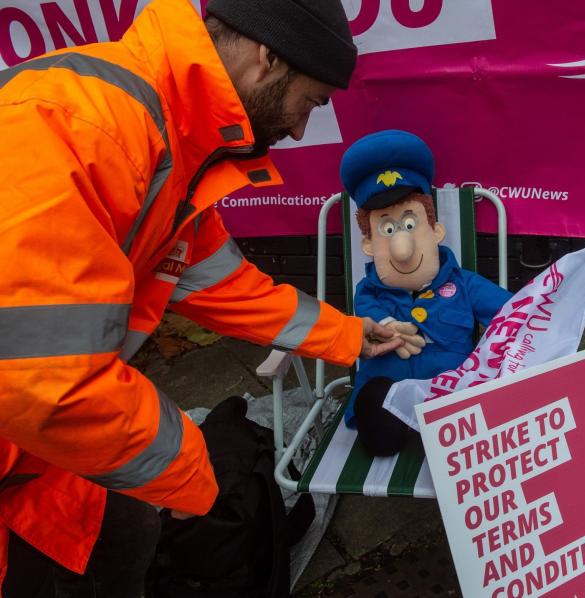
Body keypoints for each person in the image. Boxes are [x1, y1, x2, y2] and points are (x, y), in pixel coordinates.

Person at [0, 0, 402, 595]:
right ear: (268, 57)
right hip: (31, 433)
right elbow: (46, 377)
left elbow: (219, 283)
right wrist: (190, 473)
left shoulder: (170, 137)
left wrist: (347, 336)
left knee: (127, 536)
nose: (297, 130)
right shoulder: (82, 125)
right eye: (311, 103)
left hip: (37, 451)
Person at [339, 130, 513, 456]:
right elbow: (364, 315)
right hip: (386, 394)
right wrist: (386, 322)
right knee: (379, 432)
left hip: (451, 396)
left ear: (435, 231)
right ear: (369, 244)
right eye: (386, 229)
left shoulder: (464, 284)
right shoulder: (367, 292)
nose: (400, 246)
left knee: (470, 426)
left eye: (409, 223)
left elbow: (514, 315)